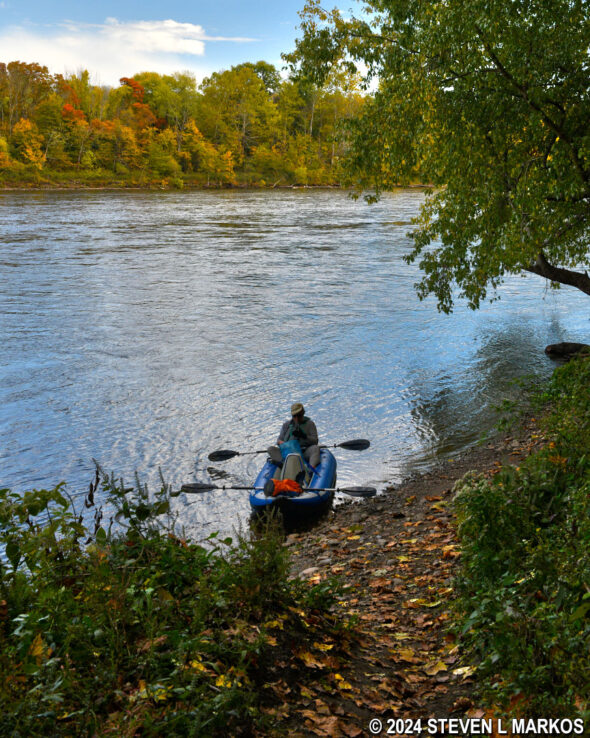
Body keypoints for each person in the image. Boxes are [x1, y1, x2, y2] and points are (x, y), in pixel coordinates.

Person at [267, 402, 321, 469]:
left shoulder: (310, 424)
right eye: (294, 416)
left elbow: (315, 441)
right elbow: (279, 440)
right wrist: (283, 444)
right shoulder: (286, 425)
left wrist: (304, 436)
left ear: (303, 413)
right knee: (270, 449)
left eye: (299, 415)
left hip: (304, 452)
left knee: (315, 448)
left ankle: (311, 469)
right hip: (288, 453)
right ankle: (284, 464)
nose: (296, 418)